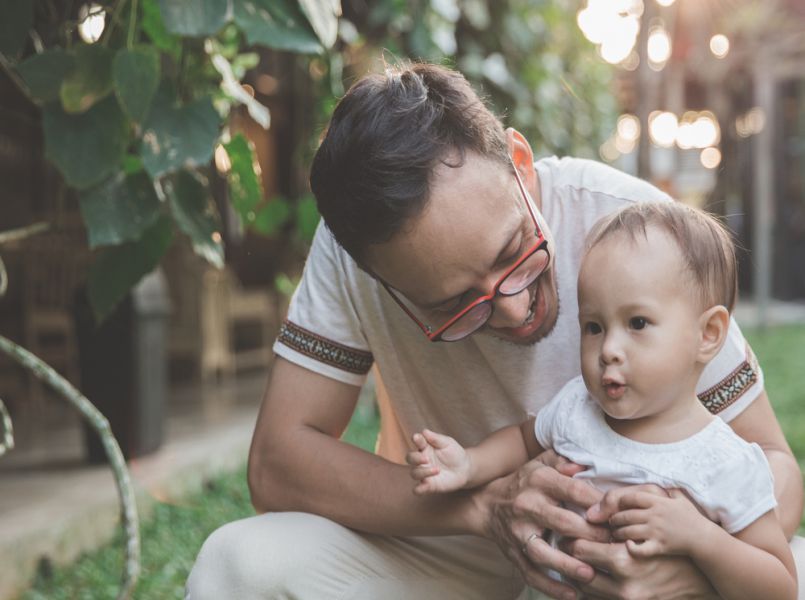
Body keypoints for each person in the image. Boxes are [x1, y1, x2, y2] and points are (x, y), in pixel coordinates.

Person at [186, 61, 804, 599]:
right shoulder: (353, 255)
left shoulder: (640, 236)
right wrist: (483, 506)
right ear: (380, 278)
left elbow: (774, 466)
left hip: (651, 554)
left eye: (517, 250)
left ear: (521, 165)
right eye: (455, 305)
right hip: (448, 545)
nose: (512, 310)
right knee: (237, 567)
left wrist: (691, 563)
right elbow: (277, 463)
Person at [406, 201, 797, 599]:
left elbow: (779, 586)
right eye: (594, 326)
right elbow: (523, 440)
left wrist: (700, 538)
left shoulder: (725, 462)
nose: (609, 348)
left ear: (709, 334)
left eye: (637, 323)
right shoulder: (577, 407)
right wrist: (469, 464)